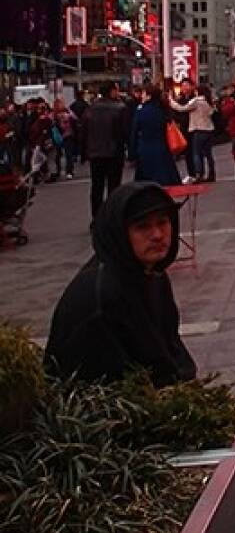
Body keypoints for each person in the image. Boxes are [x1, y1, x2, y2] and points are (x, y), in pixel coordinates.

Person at [44, 181, 196, 386]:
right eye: (143, 227)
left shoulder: (150, 274)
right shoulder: (102, 294)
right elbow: (111, 382)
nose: (157, 235)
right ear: (120, 234)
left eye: (162, 222)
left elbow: (169, 349)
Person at [82, 82, 127, 220]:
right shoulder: (120, 108)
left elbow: (83, 132)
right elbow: (124, 133)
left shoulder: (90, 109)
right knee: (114, 186)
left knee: (97, 186)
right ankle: (113, 216)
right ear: (112, 91)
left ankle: (97, 217)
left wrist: (85, 152)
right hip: (114, 153)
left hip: (95, 153)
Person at [129, 85, 180, 187]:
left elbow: (134, 132)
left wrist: (132, 153)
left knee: (145, 184)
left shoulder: (141, 111)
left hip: (145, 149)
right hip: (162, 148)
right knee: (165, 181)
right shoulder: (163, 110)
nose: (141, 96)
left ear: (149, 96)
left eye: (143, 94)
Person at [170, 82, 216, 183]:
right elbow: (212, 113)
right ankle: (212, 173)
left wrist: (171, 102)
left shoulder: (196, 101)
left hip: (198, 129)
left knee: (196, 153)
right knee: (208, 154)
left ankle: (199, 174)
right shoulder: (208, 101)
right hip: (209, 129)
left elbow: (182, 108)